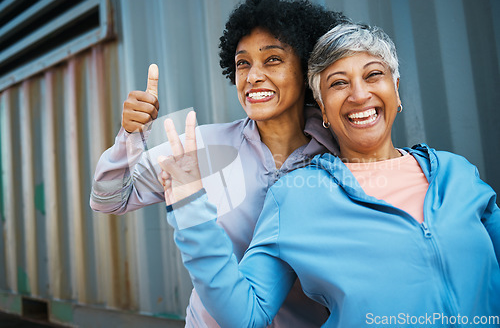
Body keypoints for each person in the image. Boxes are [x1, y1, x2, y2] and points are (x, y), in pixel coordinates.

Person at [158, 23, 500, 327]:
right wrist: (191, 212)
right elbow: (243, 316)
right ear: (322, 108)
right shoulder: (295, 196)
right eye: (338, 83)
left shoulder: (458, 174)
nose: (359, 94)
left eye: (373, 75)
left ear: (396, 90)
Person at [90, 0, 348, 326]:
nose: (253, 76)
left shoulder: (341, 155)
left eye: (272, 60)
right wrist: (130, 135)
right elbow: (109, 198)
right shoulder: (202, 146)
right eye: (243, 63)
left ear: (306, 69)